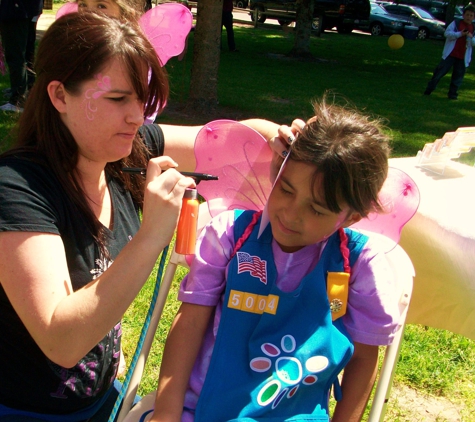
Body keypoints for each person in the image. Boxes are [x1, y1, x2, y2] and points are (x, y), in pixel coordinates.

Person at [0, 12, 286, 422]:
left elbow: (232, 143)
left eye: (141, 99)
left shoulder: (124, 147)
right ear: (60, 96)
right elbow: (61, 341)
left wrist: (282, 138)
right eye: (117, 99)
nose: (137, 116)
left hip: (99, 401)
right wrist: (151, 236)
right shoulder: (16, 187)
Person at [148, 94, 402, 422]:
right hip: (202, 409)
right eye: (285, 189)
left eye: (316, 209)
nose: (290, 214)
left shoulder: (359, 265)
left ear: (352, 216)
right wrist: (166, 412)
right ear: (276, 170)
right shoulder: (230, 235)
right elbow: (190, 323)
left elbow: (364, 359)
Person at [424, 4, 475, 100]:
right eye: (467, 15)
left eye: (471, 15)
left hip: (463, 57)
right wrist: (460, 33)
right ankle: (429, 90)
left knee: (457, 77)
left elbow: (473, 43)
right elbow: (447, 34)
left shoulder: (473, 28)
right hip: (450, 54)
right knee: (439, 73)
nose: (469, 17)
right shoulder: (456, 23)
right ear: (463, 15)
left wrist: (470, 38)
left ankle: (452, 95)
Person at [0, 0, 43, 112]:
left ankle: (18, 99)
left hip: (16, 9)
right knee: (27, 51)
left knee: (16, 54)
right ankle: (27, 89)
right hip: (29, 8)